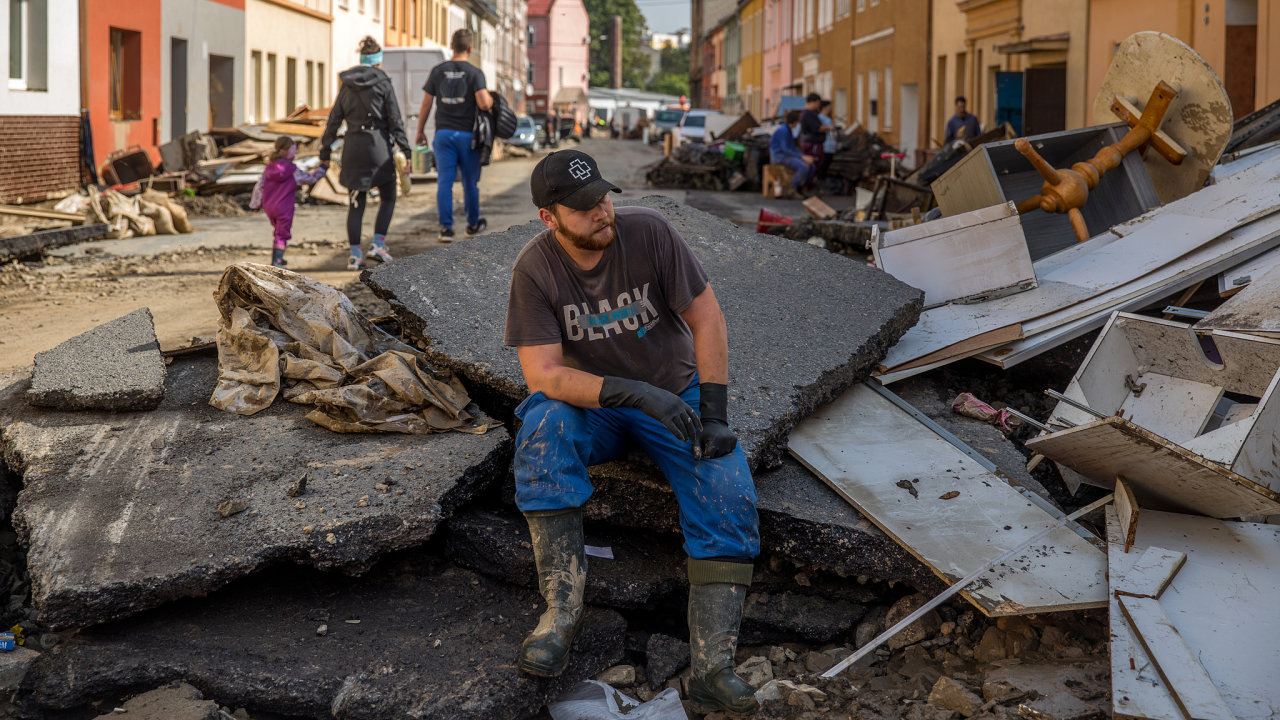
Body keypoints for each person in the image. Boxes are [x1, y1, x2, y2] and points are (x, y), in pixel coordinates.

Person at [505, 149, 760, 715]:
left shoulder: (650, 232)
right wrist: (630, 392)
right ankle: (560, 617)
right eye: (583, 208)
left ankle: (714, 666)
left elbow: (706, 317)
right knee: (542, 432)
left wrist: (714, 412)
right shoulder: (536, 267)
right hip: (597, 405)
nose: (602, 212)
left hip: (678, 393)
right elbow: (543, 375)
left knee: (728, 488)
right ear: (549, 217)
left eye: (602, 197)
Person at [320, 36, 410, 271]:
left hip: (353, 147)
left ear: (361, 59)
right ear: (378, 62)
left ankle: (355, 255)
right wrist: (406, 150)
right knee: (388, 195)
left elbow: (334, 120)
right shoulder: (384, 82)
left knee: (356, 202)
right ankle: (378, 244)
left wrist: (325, 149)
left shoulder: (347, 83)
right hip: (379, 146)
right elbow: (395, 120)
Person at [415, 29, 493, 242]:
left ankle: (446, 229)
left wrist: (420, 130)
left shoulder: (438, 71)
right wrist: (493, 101)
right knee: (469, 182)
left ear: (452, 46)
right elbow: (484, 103)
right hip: (467, 137)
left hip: (443, 134)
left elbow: (426, 103)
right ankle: (473, 225)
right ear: (469, 48)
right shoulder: (475, 73)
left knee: (444, 182)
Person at [250, 136, 328, 267]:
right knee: (282, 233)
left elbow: (259, 186)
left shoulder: (269, 168)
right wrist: (322, 169)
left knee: (278, 231)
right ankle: (277, 260)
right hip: (284, 207)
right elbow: (310, 178)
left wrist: (255, 204)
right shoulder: (292, 170)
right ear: (288, 152)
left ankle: (279, 256)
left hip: (269, 207)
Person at [769, 110, 816, 196]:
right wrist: (802, 157)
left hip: (785, 155)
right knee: (803, 166)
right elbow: (786, 149)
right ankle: (793, 189)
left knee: (811, 166)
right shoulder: (784, 131)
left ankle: (803, 188)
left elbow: (791, 148)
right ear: (796, 121)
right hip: (779, 156)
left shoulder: (788, 130)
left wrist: (803, 156)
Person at [799, 93, 833, 179]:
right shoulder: (808, 114)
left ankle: (811, 183)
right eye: (818, 103)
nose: (818, 106)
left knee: (816, 164)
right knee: (814, 164)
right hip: (813, 144)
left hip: (813, 142)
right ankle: (809, 184)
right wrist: (828, 128)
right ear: (813, 102)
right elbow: (816, 128)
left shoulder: (809, 113)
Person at [818, 99, 837, 179]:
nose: (830, 108)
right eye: (829, 107)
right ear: (824, 107)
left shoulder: (828, 119)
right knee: (822, 167)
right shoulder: (820, 118)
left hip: (831, 146)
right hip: (825, 146)